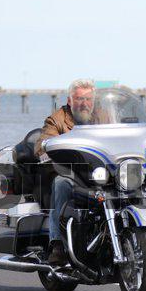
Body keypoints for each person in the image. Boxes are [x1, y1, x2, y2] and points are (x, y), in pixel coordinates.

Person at [34, 79, 96, 265]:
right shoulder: (57, 120)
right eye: (79, 99)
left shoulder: (103, 117)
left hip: (99, 172)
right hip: (70, 172)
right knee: (61, 183)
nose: (84, 103)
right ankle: (58, 244)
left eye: (88, 99)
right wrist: (51, 150)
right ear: (70, 100)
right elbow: (42, 145)